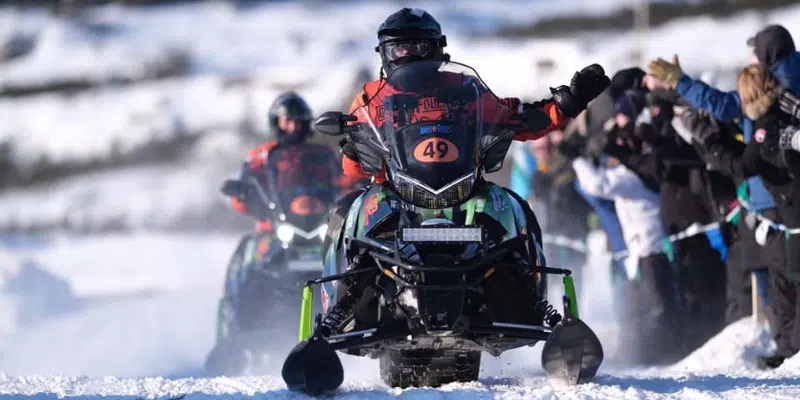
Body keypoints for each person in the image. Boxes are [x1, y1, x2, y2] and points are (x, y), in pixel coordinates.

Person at [322, 7, 610, 333]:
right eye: (399, 48)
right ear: (384, 53)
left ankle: (535, 305)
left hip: (464, 187)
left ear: (438, 48)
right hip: (397, 191)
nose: (409, 54)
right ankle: (339, 313)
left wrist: (568, 103)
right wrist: (350, 144)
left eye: (418, 46)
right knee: (353, 211)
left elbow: (517, 119)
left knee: (512, 208)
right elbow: (354, 168)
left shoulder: (466, 90)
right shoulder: (372, 97)